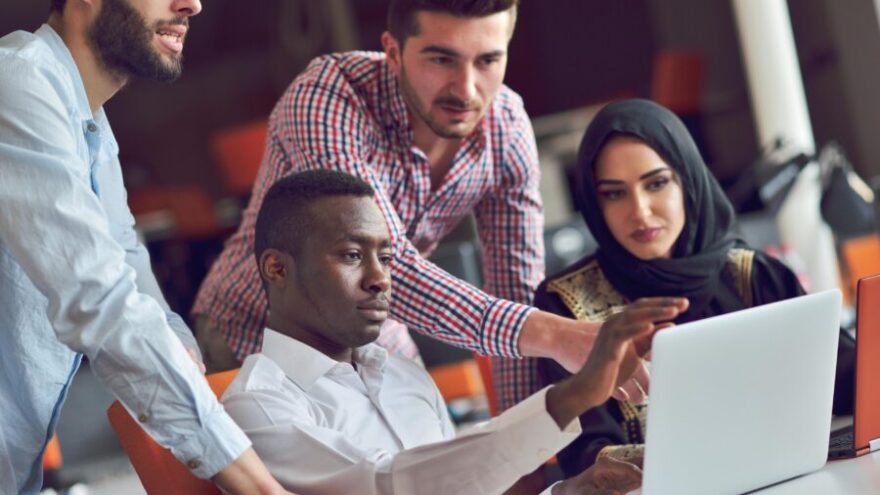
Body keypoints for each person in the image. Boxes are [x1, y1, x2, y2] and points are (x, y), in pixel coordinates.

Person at [193, 0, 648, 417]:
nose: (466, 89)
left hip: (372, 326)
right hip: (255, 330)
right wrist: (555, 335)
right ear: (392, 51)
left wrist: (525, 457)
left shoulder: (505, 128)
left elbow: (515, 292)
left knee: (430, 458)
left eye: (488, 60)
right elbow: (382, 269)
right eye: (441, 58)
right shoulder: (329, 96)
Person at [221, 169, 688, 494]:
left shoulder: (404, 375)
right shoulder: (255, 406)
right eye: (350, 255)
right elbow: (388, 486)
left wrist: (572, 491)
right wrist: (576, 395)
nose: (381, 277)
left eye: (385, 257)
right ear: (278, 269)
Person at [0, 1, 294, 493]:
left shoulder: (91, 127)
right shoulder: (17, 82)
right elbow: (101, 304)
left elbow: (126, 266)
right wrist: (263, 488)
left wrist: (178, 349)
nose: (192, 5)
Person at [535, 98, 857, 477]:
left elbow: (852, 384)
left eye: (656, 183)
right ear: (594, 201)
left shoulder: (753, 274)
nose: (639, 210)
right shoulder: (566, 304)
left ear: (688, 180)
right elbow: (585, 456)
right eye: (614, 193)